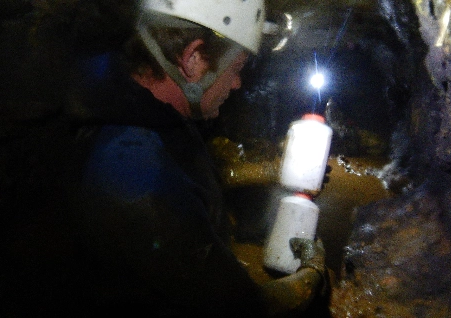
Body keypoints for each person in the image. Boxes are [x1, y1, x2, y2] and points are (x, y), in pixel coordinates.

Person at [70, 0, 329, 316]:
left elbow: (190, 176)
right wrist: (311, 275)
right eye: (237, 68)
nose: (237, 83)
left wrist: (272, 170)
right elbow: (243, 309)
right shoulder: (139, 184)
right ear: (193, 59)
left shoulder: (146, 117)